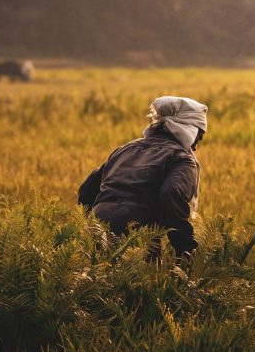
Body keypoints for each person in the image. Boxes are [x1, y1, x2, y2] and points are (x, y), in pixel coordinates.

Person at [78, 96, 207, 258]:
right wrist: (185, 249)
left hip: (95, 233)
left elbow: (85, 191)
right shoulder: (180, 158)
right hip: (137, 241)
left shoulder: (125, 149)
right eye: (198, 137)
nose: (195, 146)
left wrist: (94, 225)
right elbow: (171, 195)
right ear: (188, 130)